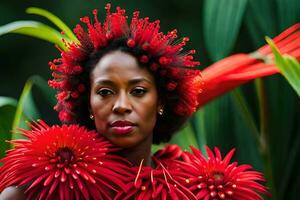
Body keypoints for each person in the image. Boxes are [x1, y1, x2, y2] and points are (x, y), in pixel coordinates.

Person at [1, 3, 299, 199]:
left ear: (161, 102)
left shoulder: (197, 187)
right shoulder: (40, 181)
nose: (121, 105)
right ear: (87, 104)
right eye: (105, 91)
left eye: (138, 91)